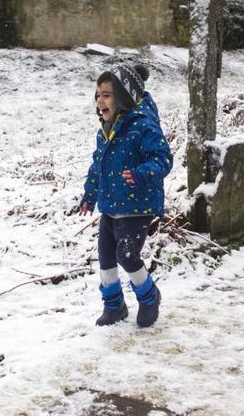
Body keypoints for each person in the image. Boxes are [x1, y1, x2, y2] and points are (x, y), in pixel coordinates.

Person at [79, 64, 173, 328]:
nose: (100, 100)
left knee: (127, 255)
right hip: (110, 206)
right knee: (106, 258)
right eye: (98, 94)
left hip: (136, 205)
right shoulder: (106, 130)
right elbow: (98, 165)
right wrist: (89, 195)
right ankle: (114, 306)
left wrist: (143, 173)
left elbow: (163, 158)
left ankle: (148, 296)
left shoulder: (143, 126)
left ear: (125, 96)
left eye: (107, 94)